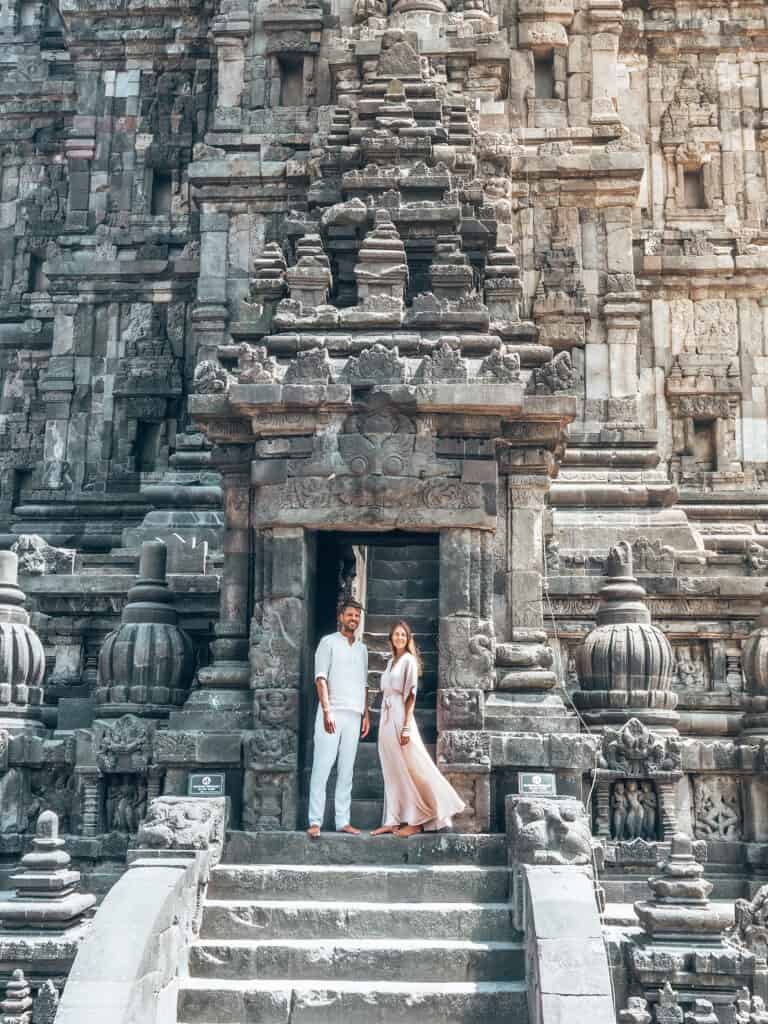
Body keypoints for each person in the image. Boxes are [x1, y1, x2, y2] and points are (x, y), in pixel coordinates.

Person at [372, 620, 465, 837]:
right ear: (391, 638)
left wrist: (405, 727)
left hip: (400, 717)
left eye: (403, 635)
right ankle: (392, 820)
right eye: (396, 634)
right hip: (386, 718)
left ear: (408, 639)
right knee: (391, 769)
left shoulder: (409, 661)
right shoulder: (390, 662)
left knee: (409, 767)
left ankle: (417, 820)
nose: (399, 638)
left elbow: (411, 696)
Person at [307, 599, 370, 839]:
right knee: (322, 767)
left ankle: (343, 820)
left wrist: (365, 714)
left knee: (346, 771)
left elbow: (364, 684)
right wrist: (326, 710)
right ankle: (315, 820)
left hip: (354, 715)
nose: (354, 619)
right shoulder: (328, 642)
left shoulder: (362, 649)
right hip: (331, 713)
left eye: (357, 616)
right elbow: (320, 678)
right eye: (350, 615)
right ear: (340, 617)